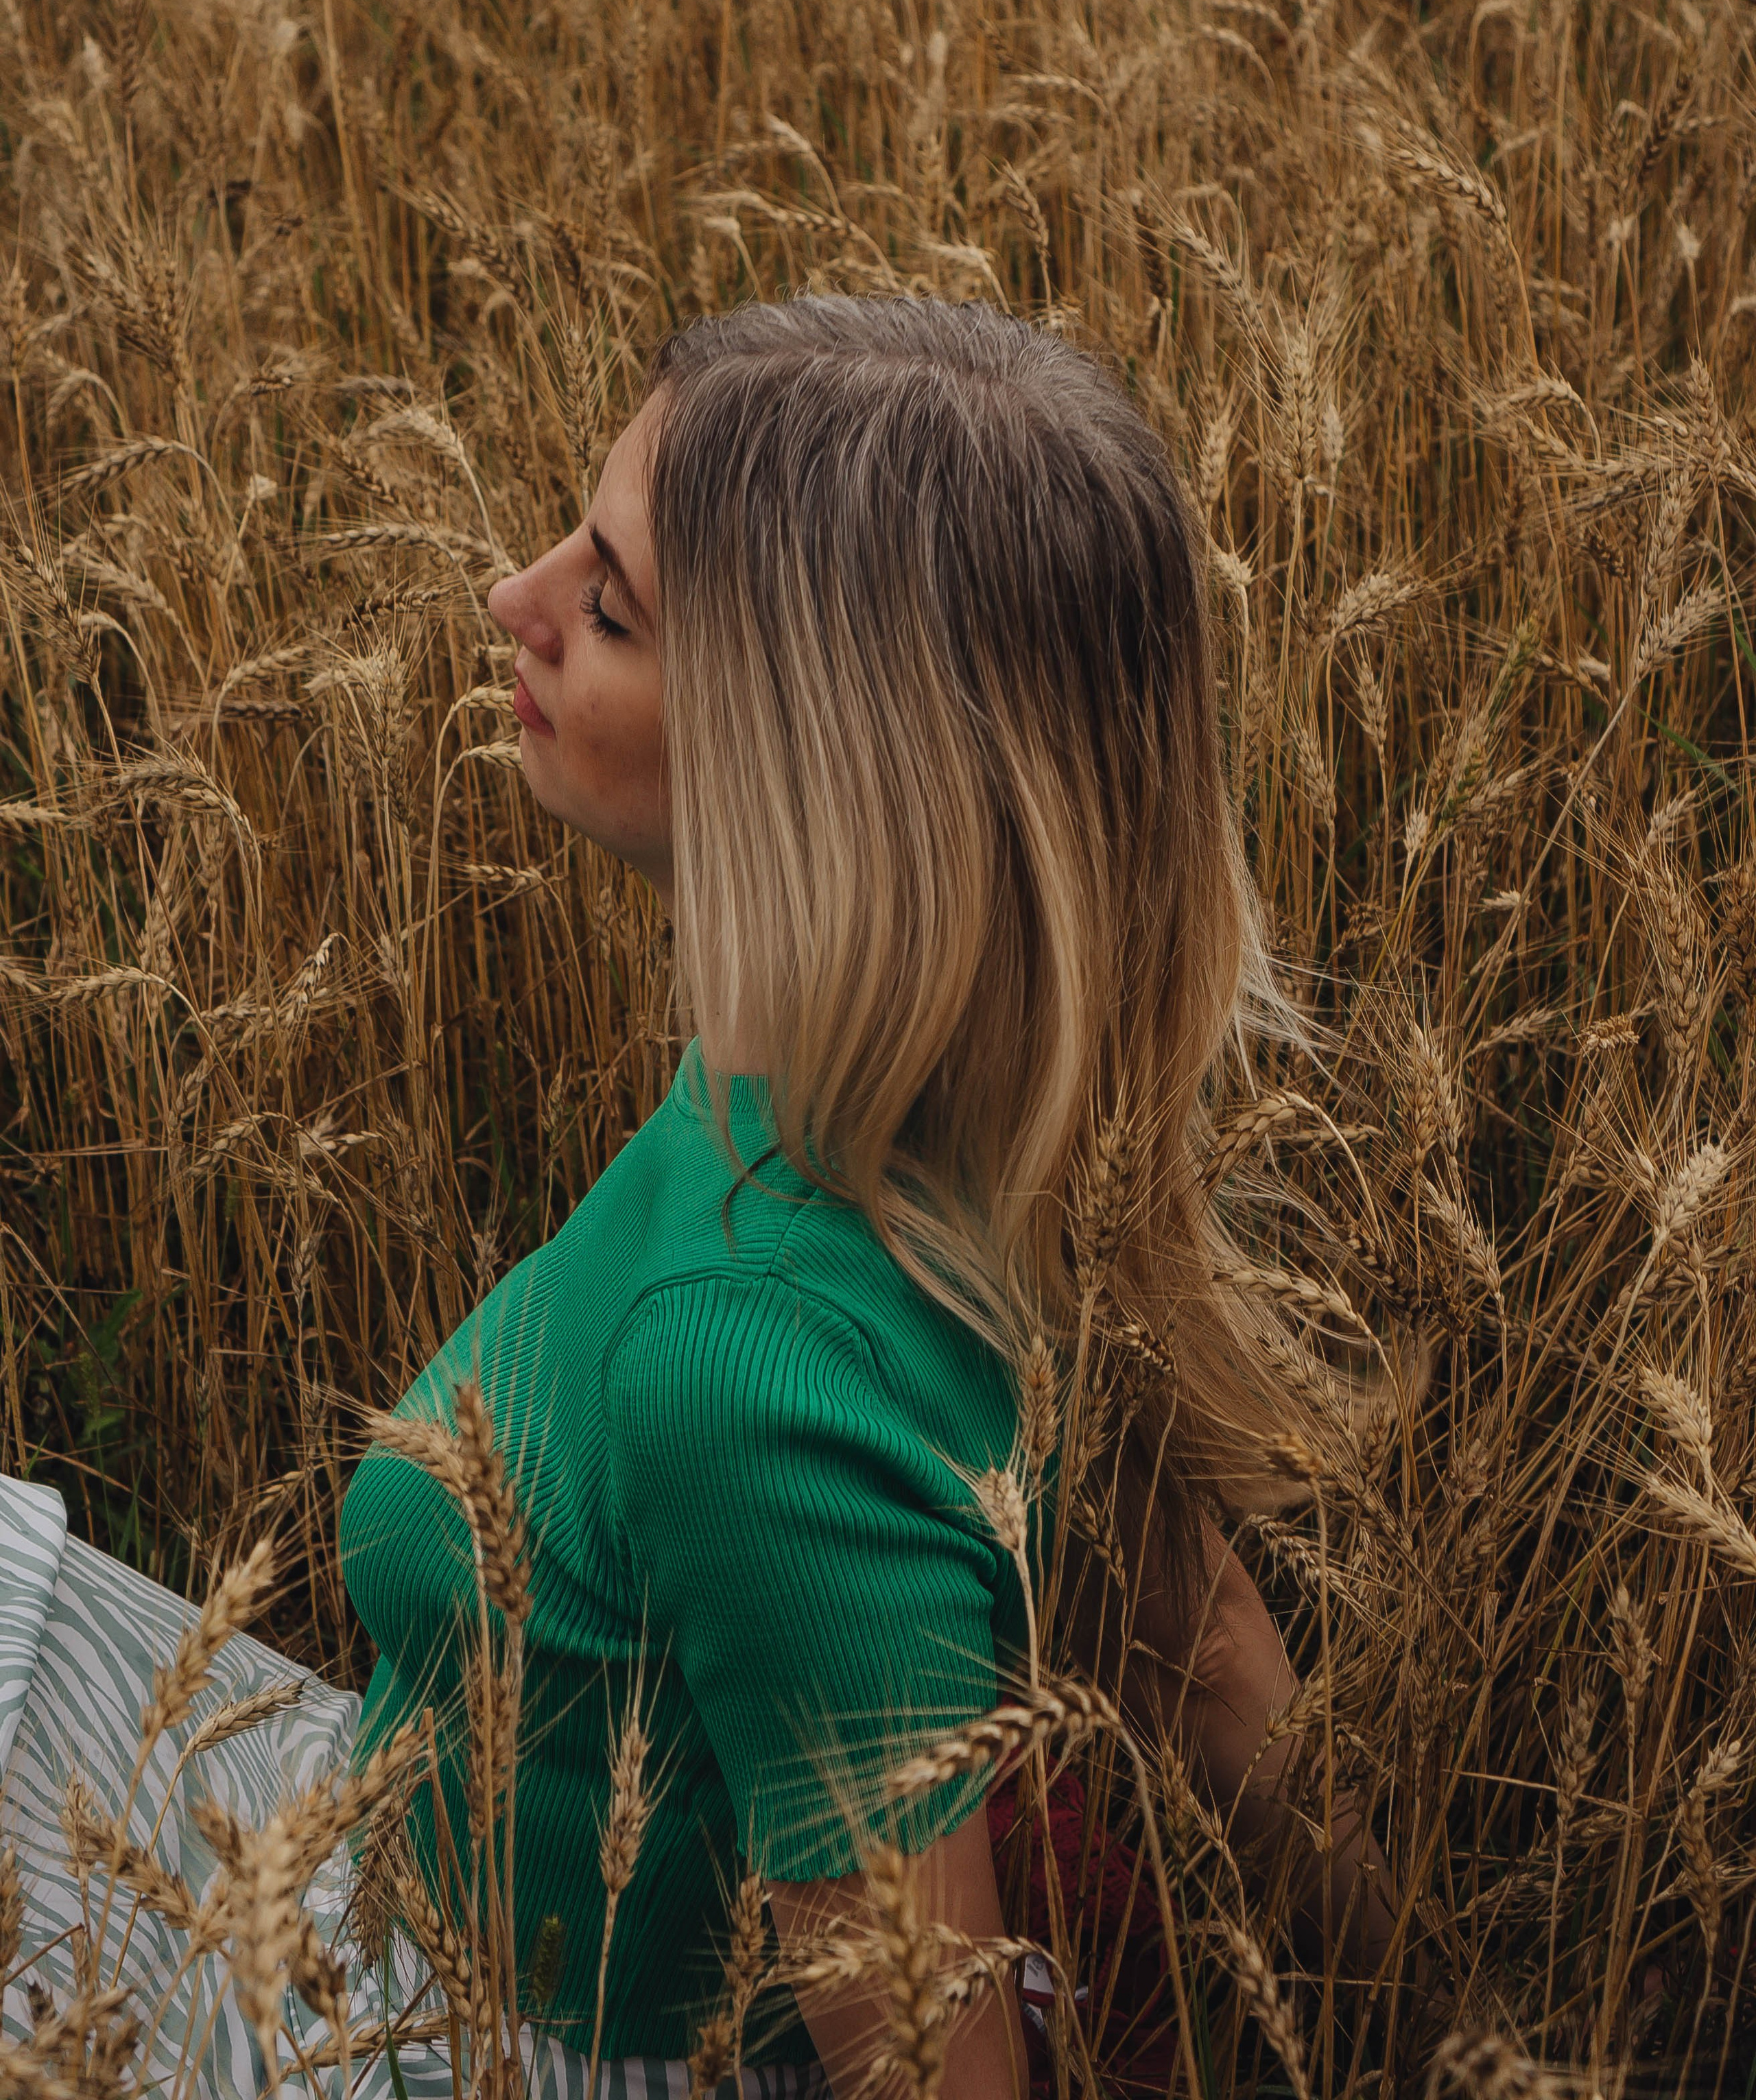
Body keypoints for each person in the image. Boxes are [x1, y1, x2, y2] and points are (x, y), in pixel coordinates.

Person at [0, 296, 1388, 2100]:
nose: (514, 595)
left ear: (818, 760)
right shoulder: (980, 1112)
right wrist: (1412, 2014)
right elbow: (1195, 1635)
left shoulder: (749, 1363)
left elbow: (930, 2056)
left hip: (440, 2040)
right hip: (370, 1848)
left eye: (611, 602)